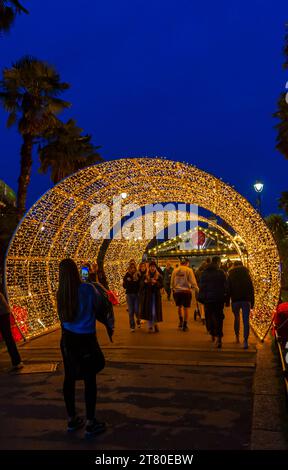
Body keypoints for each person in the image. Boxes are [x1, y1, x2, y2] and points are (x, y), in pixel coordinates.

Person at [57, 258, 114, 438]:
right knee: (90, 380)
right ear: (77, 271)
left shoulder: (61, 293)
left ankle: (72, 418)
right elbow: (102, 305)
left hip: (68, 340)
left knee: (69, 378)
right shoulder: (88, 289)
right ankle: (90, 422)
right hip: (86, 339)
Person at [198, 256, 228, 348]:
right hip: (219, 299)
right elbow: (226, 286)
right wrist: (226, 298)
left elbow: (202, 286)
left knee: (209, 316)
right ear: (218, 263)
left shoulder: (204, 273)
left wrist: (201, 298)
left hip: (208, 299)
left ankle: (212, 333)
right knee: (219, 317)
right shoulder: (221, 273)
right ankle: (219, 337)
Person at [227, 261, 254, 349]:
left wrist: (227, 301)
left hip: (235, 300)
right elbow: (251, 289)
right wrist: (252, 302)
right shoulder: (247, 275)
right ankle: (245, 341)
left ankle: (237, 337)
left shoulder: (231, 275)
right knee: (246, 320)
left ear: (234, 265)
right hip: (246, 300)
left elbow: (228, 288)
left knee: (236, 318)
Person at [171, 259, 198, 331]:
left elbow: (172, 281)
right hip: (186, 291)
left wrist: (172, 288)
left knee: (179, 307)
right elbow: (193, 281)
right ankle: (185, 325)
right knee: (186, 308)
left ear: (180, 263)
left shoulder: (175, 270)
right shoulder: (189, 270)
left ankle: (180, 321)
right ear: (187, 263)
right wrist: (197, 289)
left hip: (177, 291)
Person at [0, 290, 23, 371]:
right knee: (8, 337)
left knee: (8, 337)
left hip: (2, 313)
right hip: (4, 312)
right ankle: (17, 361)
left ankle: (17, 361)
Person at [140, 261, 163, 333]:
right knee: (149, 311)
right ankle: (150, 326)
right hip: (148, 296)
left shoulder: (159, 276)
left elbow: (161, 285)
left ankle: (155, 324)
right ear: (149, 267)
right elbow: (141, 286)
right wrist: (145, 282)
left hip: (155, 296)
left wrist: (156, 283)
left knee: (154, 311)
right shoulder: (145, 276)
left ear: (155, 267)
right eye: (151, 266)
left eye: (153, 267)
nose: (152, 268)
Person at [123, 263, 140, 332]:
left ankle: (138, 320)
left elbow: (140, 284)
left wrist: (136, 280)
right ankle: (132, 326)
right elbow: (124, 286)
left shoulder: (138, 275)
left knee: (136, 310)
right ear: (129, 268)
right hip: (129, 295)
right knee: (130, 311)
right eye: (131, 268)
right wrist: (127, 281)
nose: (133, 269)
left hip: (136, 295)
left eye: (134, 268)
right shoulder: (127, 275)